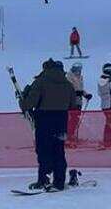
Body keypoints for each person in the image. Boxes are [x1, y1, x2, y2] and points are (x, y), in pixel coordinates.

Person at [20, 58, 75, 191]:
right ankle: (59, 181)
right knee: (59, 151)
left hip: (44, 120)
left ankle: (44, 179)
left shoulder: (40, 81)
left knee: (44, 150)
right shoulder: (67, 83)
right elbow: (73, 104)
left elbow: (29, 104)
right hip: (61, 120)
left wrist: (23, 98)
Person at [66, 62, 92, 146]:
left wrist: (85, 94)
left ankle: (72, 134)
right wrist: (78, 93)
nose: (80, 72)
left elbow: (80, 88)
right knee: (71, 119)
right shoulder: (69, 77)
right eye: (78, 70)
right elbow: (69, 89)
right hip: (71, 102)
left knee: (76, 119)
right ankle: (68, 136)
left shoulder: (80, 77)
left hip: (78, 101)